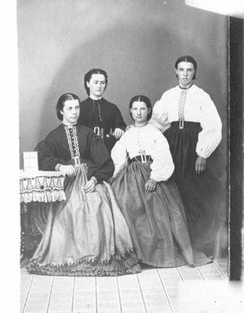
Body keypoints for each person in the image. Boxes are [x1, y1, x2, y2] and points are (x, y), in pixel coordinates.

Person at [27, 93, 141, 276]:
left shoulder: (88, 133)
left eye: (77, 108)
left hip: (90, 178)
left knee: (98, 205)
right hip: (67, 183)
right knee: (69, 210)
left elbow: (105, 163)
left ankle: (96, 256)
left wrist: (95, 179)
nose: (74, 112)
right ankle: (72, 257)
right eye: (70, 108)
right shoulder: (54, 135)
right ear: (61, 111)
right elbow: (41, 156)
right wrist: (59, 166)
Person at [110, 95, 210, 268]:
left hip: (154, 171)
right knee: (127, 203)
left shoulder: (154, 132)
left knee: (159, 210)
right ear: (130, 111)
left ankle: (160, 254)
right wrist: (116, 177)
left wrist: (154, 177)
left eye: (142, 108)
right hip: (133, 174)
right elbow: (119, 157)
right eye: (135, 109)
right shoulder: (127, 134)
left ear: (148, 110)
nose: (138, 112)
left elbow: (163, 155)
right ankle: (140, 255)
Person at [150, 55, 223, 257]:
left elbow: (213, 127)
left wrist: (203, 153)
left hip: (193, 146)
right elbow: (157, 124)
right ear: (175, 71)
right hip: (172, 145)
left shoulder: (202, 96)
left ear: (194, 73)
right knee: (173, 192)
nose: (185, 74)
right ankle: (176, 244)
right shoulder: (167, 95)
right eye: (181, 70)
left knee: (194, 194)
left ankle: (196, 244)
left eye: (189, 70)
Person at [78, 68, 126, 152]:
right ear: (88, 83)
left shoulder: (112, 108)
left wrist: (119, 129)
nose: (99, 86)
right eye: (96, 82)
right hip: (84, 150)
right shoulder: (79, 107)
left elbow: (120, 126)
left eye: (102, 83)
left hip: (106, 149)